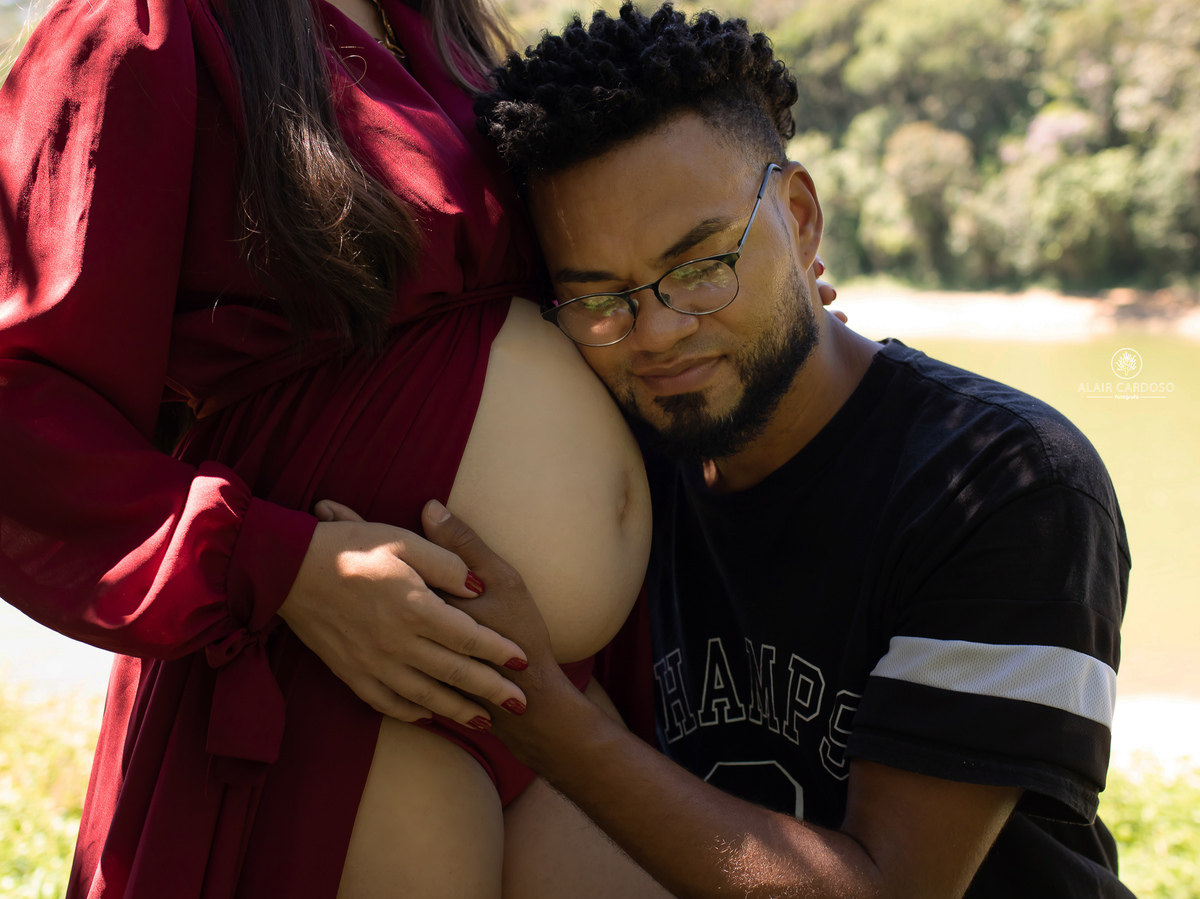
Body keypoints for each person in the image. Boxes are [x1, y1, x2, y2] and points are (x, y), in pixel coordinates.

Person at [394, 5, 1134, 897]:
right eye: (602, 298)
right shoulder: (620, 454)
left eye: (703, 266)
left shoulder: (1006, 483)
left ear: (801, 217)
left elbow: (892, 890)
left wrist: (542, 713)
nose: (659, 332)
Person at [0, 0, 676, 894]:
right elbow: (19, 399)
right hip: (342, 681)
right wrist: (282, 566)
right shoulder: (144, 27)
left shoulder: (443, 30)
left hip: (549, 690)